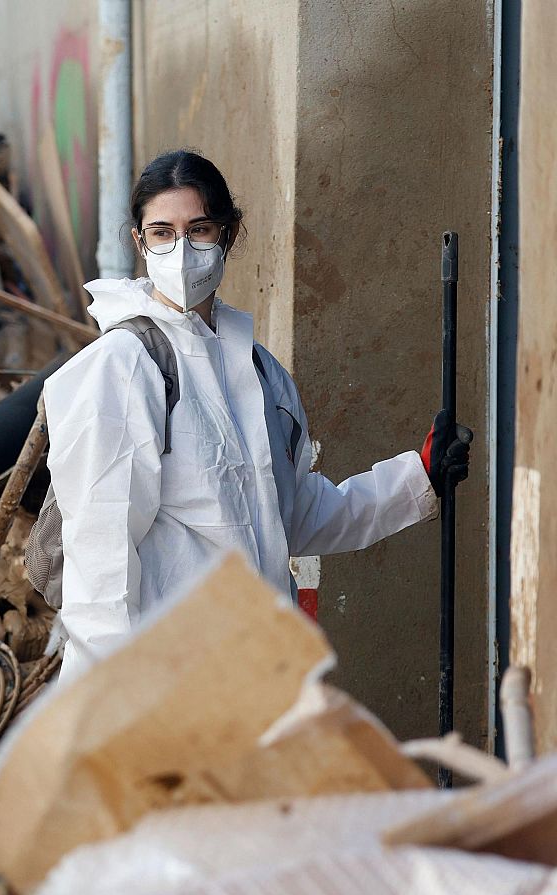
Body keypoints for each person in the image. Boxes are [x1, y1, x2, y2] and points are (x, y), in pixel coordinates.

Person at [41, 150, 472, 680]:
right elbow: (98, 558)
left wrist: (417, 478)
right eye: (161, 232)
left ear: (229, 233)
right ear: (139, 242)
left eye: (198, 229)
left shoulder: (260, 373)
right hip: (167, 686)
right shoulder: (124, 366)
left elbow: (294, 517)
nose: (180, 251)